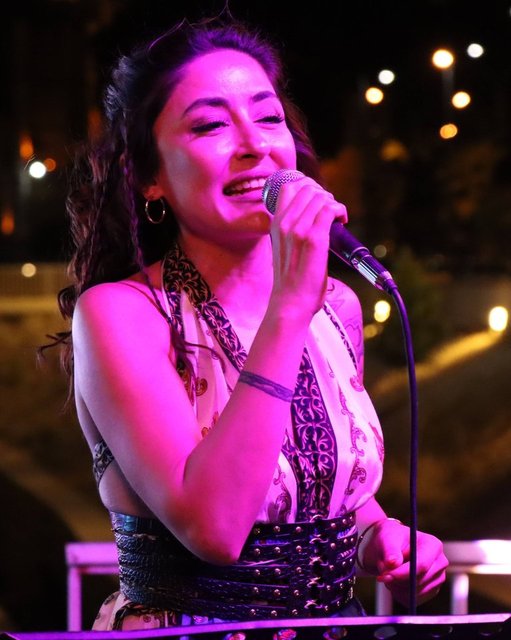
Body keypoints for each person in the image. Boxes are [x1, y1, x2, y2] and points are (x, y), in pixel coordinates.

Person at [52, 12, 448, 631]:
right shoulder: (122, 314)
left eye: (269, 118)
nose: (255, 145)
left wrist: (377, 536)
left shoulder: (336, 307)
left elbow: (311, 485)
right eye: (210, 125)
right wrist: (289, 307)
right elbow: (214, 527)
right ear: (148, 177)